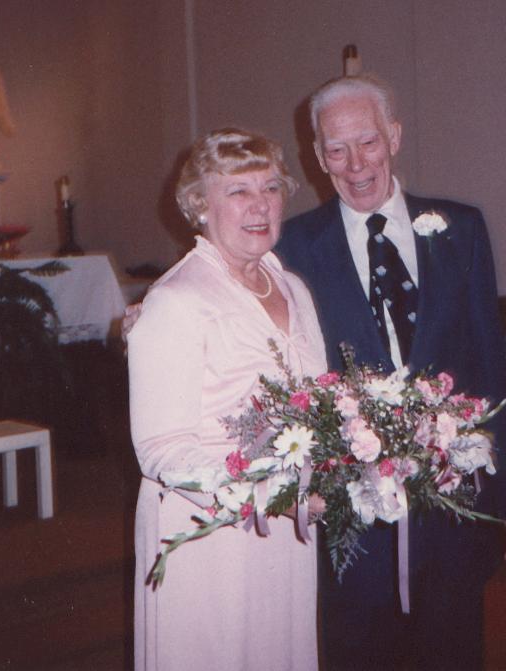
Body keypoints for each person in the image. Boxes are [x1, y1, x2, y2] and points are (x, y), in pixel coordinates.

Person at [276, 74, 506, 670]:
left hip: (451, 514)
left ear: (394, 137)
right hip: (352, 528)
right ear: (317, 156)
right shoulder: (293, 246)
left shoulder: (461, 229)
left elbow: (492, 370)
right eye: (336, 149)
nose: (355, 164)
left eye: (368, 142)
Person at [127, 128, 327, 671]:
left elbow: (318, 406)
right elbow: (162, 450)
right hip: (208, 534)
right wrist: (267, 495)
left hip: (286, 532)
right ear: (200, 204)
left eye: (271, 188)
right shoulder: (176, 299)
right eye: (238, 190)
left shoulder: (293, 289)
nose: (260, 205)